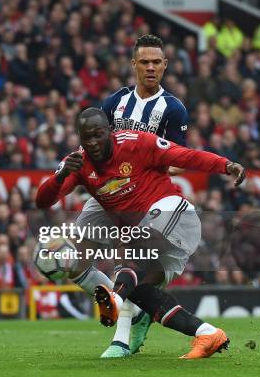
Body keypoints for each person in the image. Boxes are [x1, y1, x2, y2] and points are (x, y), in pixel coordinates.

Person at [36, 108, 245, 359]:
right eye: (86, 137)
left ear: (110, 132)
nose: (92, 143)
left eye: (98, 135)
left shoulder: (137, 143)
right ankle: (208, 333)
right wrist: (60, 177)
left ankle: (115, 299)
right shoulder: (78, 163)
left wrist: (226, 165)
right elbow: (43, 200)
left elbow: (185, 156)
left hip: (173, 216)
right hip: (144, 240)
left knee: (128, 246)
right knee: (141, 294)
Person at [66, 34, 190, 358]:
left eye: (156, 62)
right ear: (133, 64)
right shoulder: (113, 104)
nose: (151, 68)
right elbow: (96, 149)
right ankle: (124, 303)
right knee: (73, 259)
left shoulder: (173, 110)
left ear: (165, 65)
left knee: (130, 260)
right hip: (107, 193)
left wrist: (142, 174)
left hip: (143, 198)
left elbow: (179, 162)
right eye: (144, 62)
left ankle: (120, 338)